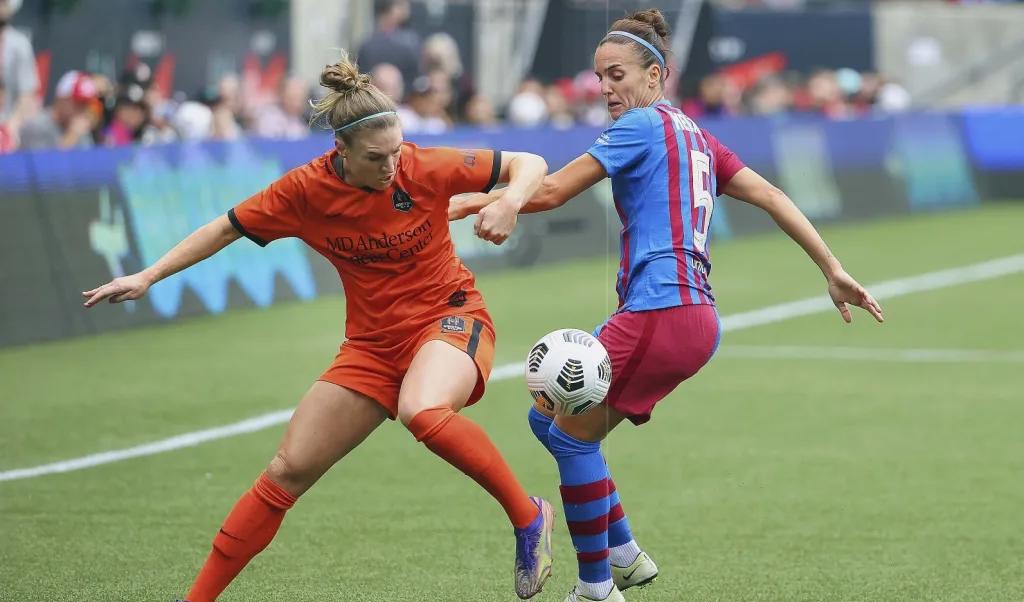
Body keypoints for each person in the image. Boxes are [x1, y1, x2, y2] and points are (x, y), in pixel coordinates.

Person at [82, 52, 555, 602]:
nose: (391, 166)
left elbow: (530, 161)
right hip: (373, 346)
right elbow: (225, 228)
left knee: (421, 409)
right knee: (287, 470)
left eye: (396, 151)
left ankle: (527, 518)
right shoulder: (303, 192)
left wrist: (512, 202)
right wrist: (149, 274)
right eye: (376, 157)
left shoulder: (424, 165)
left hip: (450, 317)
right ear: (341, 152)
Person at [450, 9, 884, 602]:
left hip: (662, 310)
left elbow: (548, 190)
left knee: (572, 438)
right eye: (600, 76)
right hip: (687, 317)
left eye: (619, 74)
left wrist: (476, 201)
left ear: (656, 76)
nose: (605, 88)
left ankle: (597, 588)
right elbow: (772, 194)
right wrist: (831, 269)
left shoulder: (640, 127)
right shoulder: (697, 136)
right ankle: (623, 551)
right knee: (547, 416)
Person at [0, 0, 38, 150]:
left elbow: (27, 93)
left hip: (5, 130)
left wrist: (11, 126)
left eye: (4, 2)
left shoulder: (19, 44)